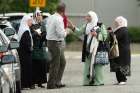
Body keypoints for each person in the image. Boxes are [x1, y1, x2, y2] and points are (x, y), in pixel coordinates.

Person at [69, 11, 109, 86]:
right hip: (88, 48)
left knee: (98, 65)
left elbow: (104, 36)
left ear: (93, 17)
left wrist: (97, 35)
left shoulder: (100, 25)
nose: (86, 17)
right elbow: (79, 32)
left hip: (97, 48)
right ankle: (87, 81)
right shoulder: (86, 25)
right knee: (87, 65)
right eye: (87, 16)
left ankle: (99, 81)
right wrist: (72, 27)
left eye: (88, 16)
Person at [46, 2, 68, 89]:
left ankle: (57, 81)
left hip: (51, 41)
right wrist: (67, 32)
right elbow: (61, 34)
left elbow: (48, 28)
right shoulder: (59, 19)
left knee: (62, 62)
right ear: (64, 10)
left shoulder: (51, 17)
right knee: (55, 64)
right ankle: (51, 84)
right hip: (55, 42)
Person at [109, 16, 131, 85]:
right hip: (119, 50)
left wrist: (111, 33)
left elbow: (116, 38)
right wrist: (112, 32)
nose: (116, 24)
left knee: (122, 64)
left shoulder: (123, 29)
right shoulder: (120, 29)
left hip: (123, 50)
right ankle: (119, 80)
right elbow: (114, 38)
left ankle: (123, 79)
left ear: (121, 22)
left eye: (117, 22)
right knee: (117, 64)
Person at [31, 9, 48, 88]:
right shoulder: (32, 25)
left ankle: (40, 82)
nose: (40, 17)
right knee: (35, 66)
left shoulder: (43, 24)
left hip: (42, 47)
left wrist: (44, 35)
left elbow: (45, 34)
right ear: (35, 16)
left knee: (42, 65)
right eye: (38, 15)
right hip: (35, 47)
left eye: (41, 15)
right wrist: (36, 33)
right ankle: (33, 82)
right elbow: (31, 36)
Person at [17, 15, 34, 89]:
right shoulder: (25, 30)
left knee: (27, 68)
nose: (31, 22)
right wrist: (30, 49)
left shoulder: (24, 29)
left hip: (24, 53)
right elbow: (26, 43)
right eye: (30, 21)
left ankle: (27, 84)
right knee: (26, 69)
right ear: (26, 21)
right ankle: (25, 84)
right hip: (25, 53)